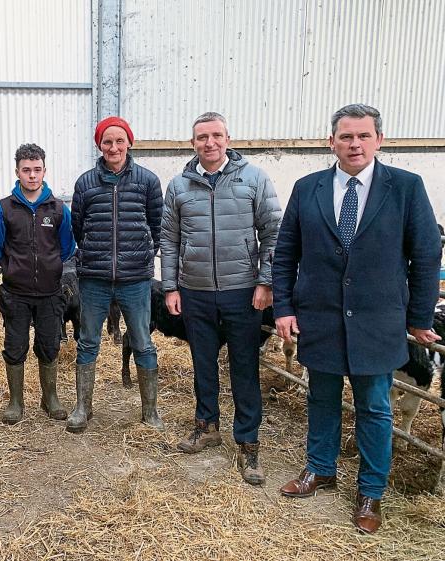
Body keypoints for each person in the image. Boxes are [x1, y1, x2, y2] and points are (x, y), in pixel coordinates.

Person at [273, 104, 442, 533]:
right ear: (332, 142)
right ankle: (321, 469)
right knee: (321, 397)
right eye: (346, 136)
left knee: (374, 407)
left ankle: (370, 492)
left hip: (378, 319)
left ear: (379, 140)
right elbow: (286, 251)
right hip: (321, 317)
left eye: (363, 136)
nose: (354, 144)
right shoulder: (307, 187)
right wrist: (285, 307)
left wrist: (420, 314)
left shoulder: (405, 187)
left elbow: (425, 253)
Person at [160, 112, 282, 485]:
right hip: (195, 292)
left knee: (244, 367)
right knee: (203, 363)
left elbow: (273, 231)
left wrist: (266, 281)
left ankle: (248, 444)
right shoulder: (179, 186)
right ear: (192, 142)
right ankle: (207, 425)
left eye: (215, 136)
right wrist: (171, 286)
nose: (209, 143)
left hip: (242, 291)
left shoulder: (254, 178)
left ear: (228, 138)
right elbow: (169, 239)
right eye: (201, 137)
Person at [67, 116, 163, 433]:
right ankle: (83, 407)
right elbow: (78, 227)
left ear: (129, 143)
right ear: (99, 145)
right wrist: (96, 255)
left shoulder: (147, 182)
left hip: (135, 279)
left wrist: (144, 255)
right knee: (87, 342)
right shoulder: (85, 184)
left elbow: (157, 225)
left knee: (143, 342)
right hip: (94, 278)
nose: (114, 147)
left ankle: (150, 412)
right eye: (107, 141)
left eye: (119, 140)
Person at [0, 143, 76, 424]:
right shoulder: (4, 209)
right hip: (16, 293)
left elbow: (67, 248)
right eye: (27, 170)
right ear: (17, 172)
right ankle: (16, 401)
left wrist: (49, 267)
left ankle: (50, 397)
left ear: (44, 170)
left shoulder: (59, 209)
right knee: (15, 346)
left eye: (37, 170)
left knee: (49, 345)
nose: (32, 175)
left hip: (50, 292)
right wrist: (15, 267)